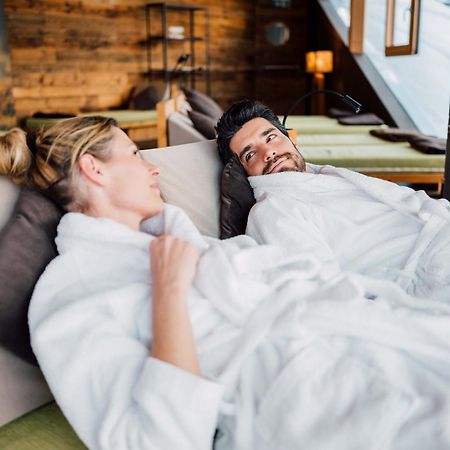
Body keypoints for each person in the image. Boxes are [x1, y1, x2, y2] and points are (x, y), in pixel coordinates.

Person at [2, 117, 450, 450]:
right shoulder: (70, 294)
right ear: (95, 171)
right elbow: (155, 441)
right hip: (299, 397)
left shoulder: (177, 240)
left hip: (352, 335)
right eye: (136, 155)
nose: (152, 169)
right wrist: (169, 295)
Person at [216, 99, 450, 302]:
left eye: (271, 137)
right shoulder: (273, 211)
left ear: (292, 140)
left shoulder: (324, 175)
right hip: (427, 272)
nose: (268, 152)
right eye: (250, 154)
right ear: (244, 172)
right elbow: (324, 289)